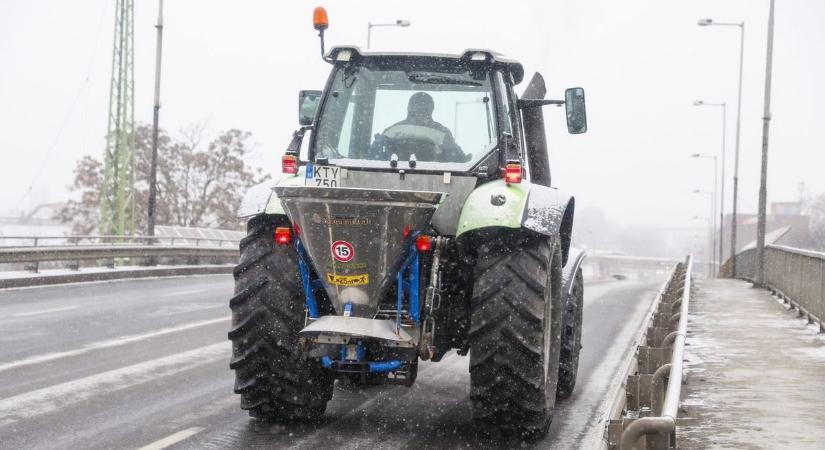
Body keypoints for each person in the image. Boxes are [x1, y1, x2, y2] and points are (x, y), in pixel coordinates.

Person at [369, 92, 470, 163]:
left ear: (409, 108)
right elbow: (458, 159)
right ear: (431, 109)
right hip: (434, 182)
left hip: (394, 181)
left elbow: (374, 159)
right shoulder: (441, 132)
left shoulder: (391, 131)